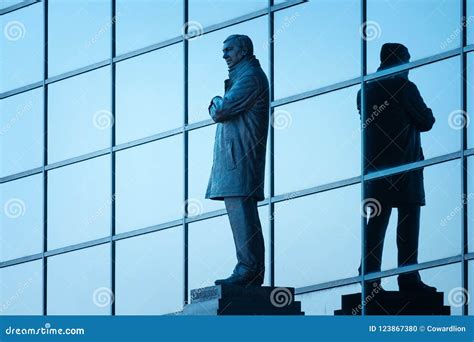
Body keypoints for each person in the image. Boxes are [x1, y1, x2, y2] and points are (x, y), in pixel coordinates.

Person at [357, 43, 436, 292]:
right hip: (405, 165)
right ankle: (408, 277)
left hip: (376, 168)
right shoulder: (404, 87)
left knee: (377, 222)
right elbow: (426, 121)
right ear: (400, 60)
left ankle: (369, 276)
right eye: (408, 60)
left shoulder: (366, 90)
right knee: (408, 223)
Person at [206, 34, 269, 286]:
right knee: (240, 214)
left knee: (243, 215)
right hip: (235, 162)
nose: (224, 55)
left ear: (243, 51)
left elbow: (221, 110)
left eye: (228, 49)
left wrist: (214, 100)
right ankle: (247, 268)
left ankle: (249, 268)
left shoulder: (250, 77)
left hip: (240, 161)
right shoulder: (242, 77)